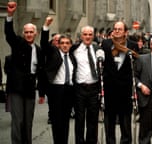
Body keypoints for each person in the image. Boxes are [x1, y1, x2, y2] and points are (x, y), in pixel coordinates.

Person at [4, 2, 45, 144]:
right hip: (16, 89)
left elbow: (40, 72)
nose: (28, 34)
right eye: (26, 32)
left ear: (36, 33)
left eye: (31, 32)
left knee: (28, 122)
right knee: (18, 121)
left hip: (30, 89)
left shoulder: (39, 50)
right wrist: (10, 15)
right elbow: (9, 34)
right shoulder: (18, 44)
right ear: (23, 34)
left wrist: (41, 93)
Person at [101, 21, 139, 144]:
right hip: (109, 89)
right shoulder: (106, 44)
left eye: (120, 29)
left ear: (125, 32)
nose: (116, 31)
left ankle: (126, 141)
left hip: (125, 90)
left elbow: (140, 61)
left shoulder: (132, 46)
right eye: (115, 29)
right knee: (109, 121)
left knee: (125, 121)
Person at [40, 16, 76, 144]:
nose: (65, 45)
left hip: (69, 91)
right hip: (56, 90)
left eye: (67, 43)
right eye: (62, 43)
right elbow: (44, 44)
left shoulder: (72, 57)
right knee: (56, 121)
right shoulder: (53, 53)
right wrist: (46, 26)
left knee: (66, 121)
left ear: (71, 45)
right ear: (58, 45)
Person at [71, 25, 101, 144]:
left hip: (94, 88)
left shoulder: (97, 49)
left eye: (90, 34)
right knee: (79, 119)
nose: (88, 37)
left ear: (93, 36)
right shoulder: (74, 49)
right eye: (85, 34)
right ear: (81, 36)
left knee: (93, 120)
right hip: (79, 89)